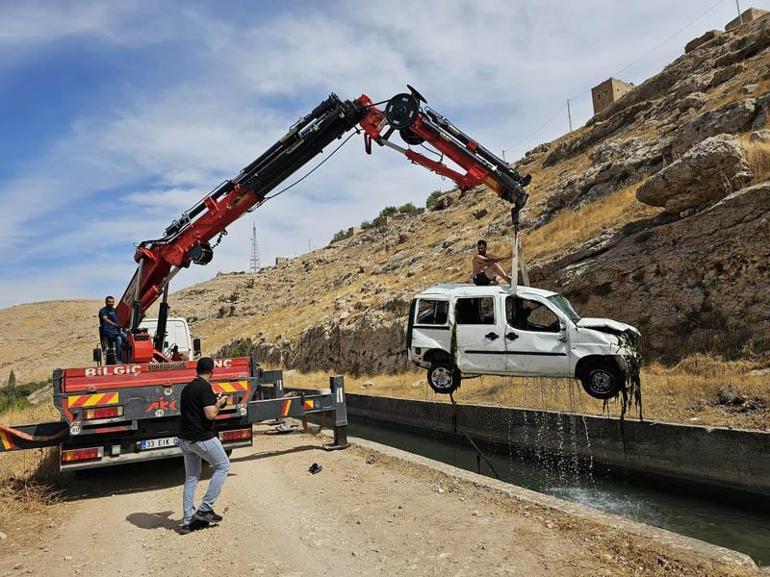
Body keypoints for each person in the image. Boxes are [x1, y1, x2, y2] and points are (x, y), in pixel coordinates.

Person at [178, 357, 230, 534]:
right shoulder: (205, 387)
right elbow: (210, 414)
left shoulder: (187, 388)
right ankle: (205, 508)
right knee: (223, 466)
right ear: (211, 371)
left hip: (185, 440)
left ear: (197, 370)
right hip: (201, 437)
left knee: (191, 478)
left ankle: (188, 521)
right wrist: (219, 403)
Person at [98, 296, 124, 363]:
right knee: (118, 338)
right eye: (109, 302)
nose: (111, 303)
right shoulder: (102, 311)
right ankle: (117, 359)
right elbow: (105, 318)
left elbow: (119, 319)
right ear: (106, 302)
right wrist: (114, 325)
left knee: (127, 336)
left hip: (115, 330)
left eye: (112, 302)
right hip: (107, 330)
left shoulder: (114, 310)